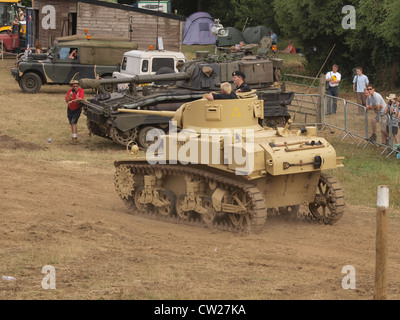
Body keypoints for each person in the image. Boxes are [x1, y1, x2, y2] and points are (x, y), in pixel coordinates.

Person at [65, 80, 84, 144]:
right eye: (74, 86)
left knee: (74, 122)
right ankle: (73, 136)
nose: (75, 87)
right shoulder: (69, 91)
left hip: (77, 108)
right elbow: (67, 100)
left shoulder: (81, 91)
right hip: (70, 108)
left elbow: (81, 98)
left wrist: (73, 101)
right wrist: (70, 96)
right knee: (71, 123)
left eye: (76, 86)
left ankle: (75, 138)